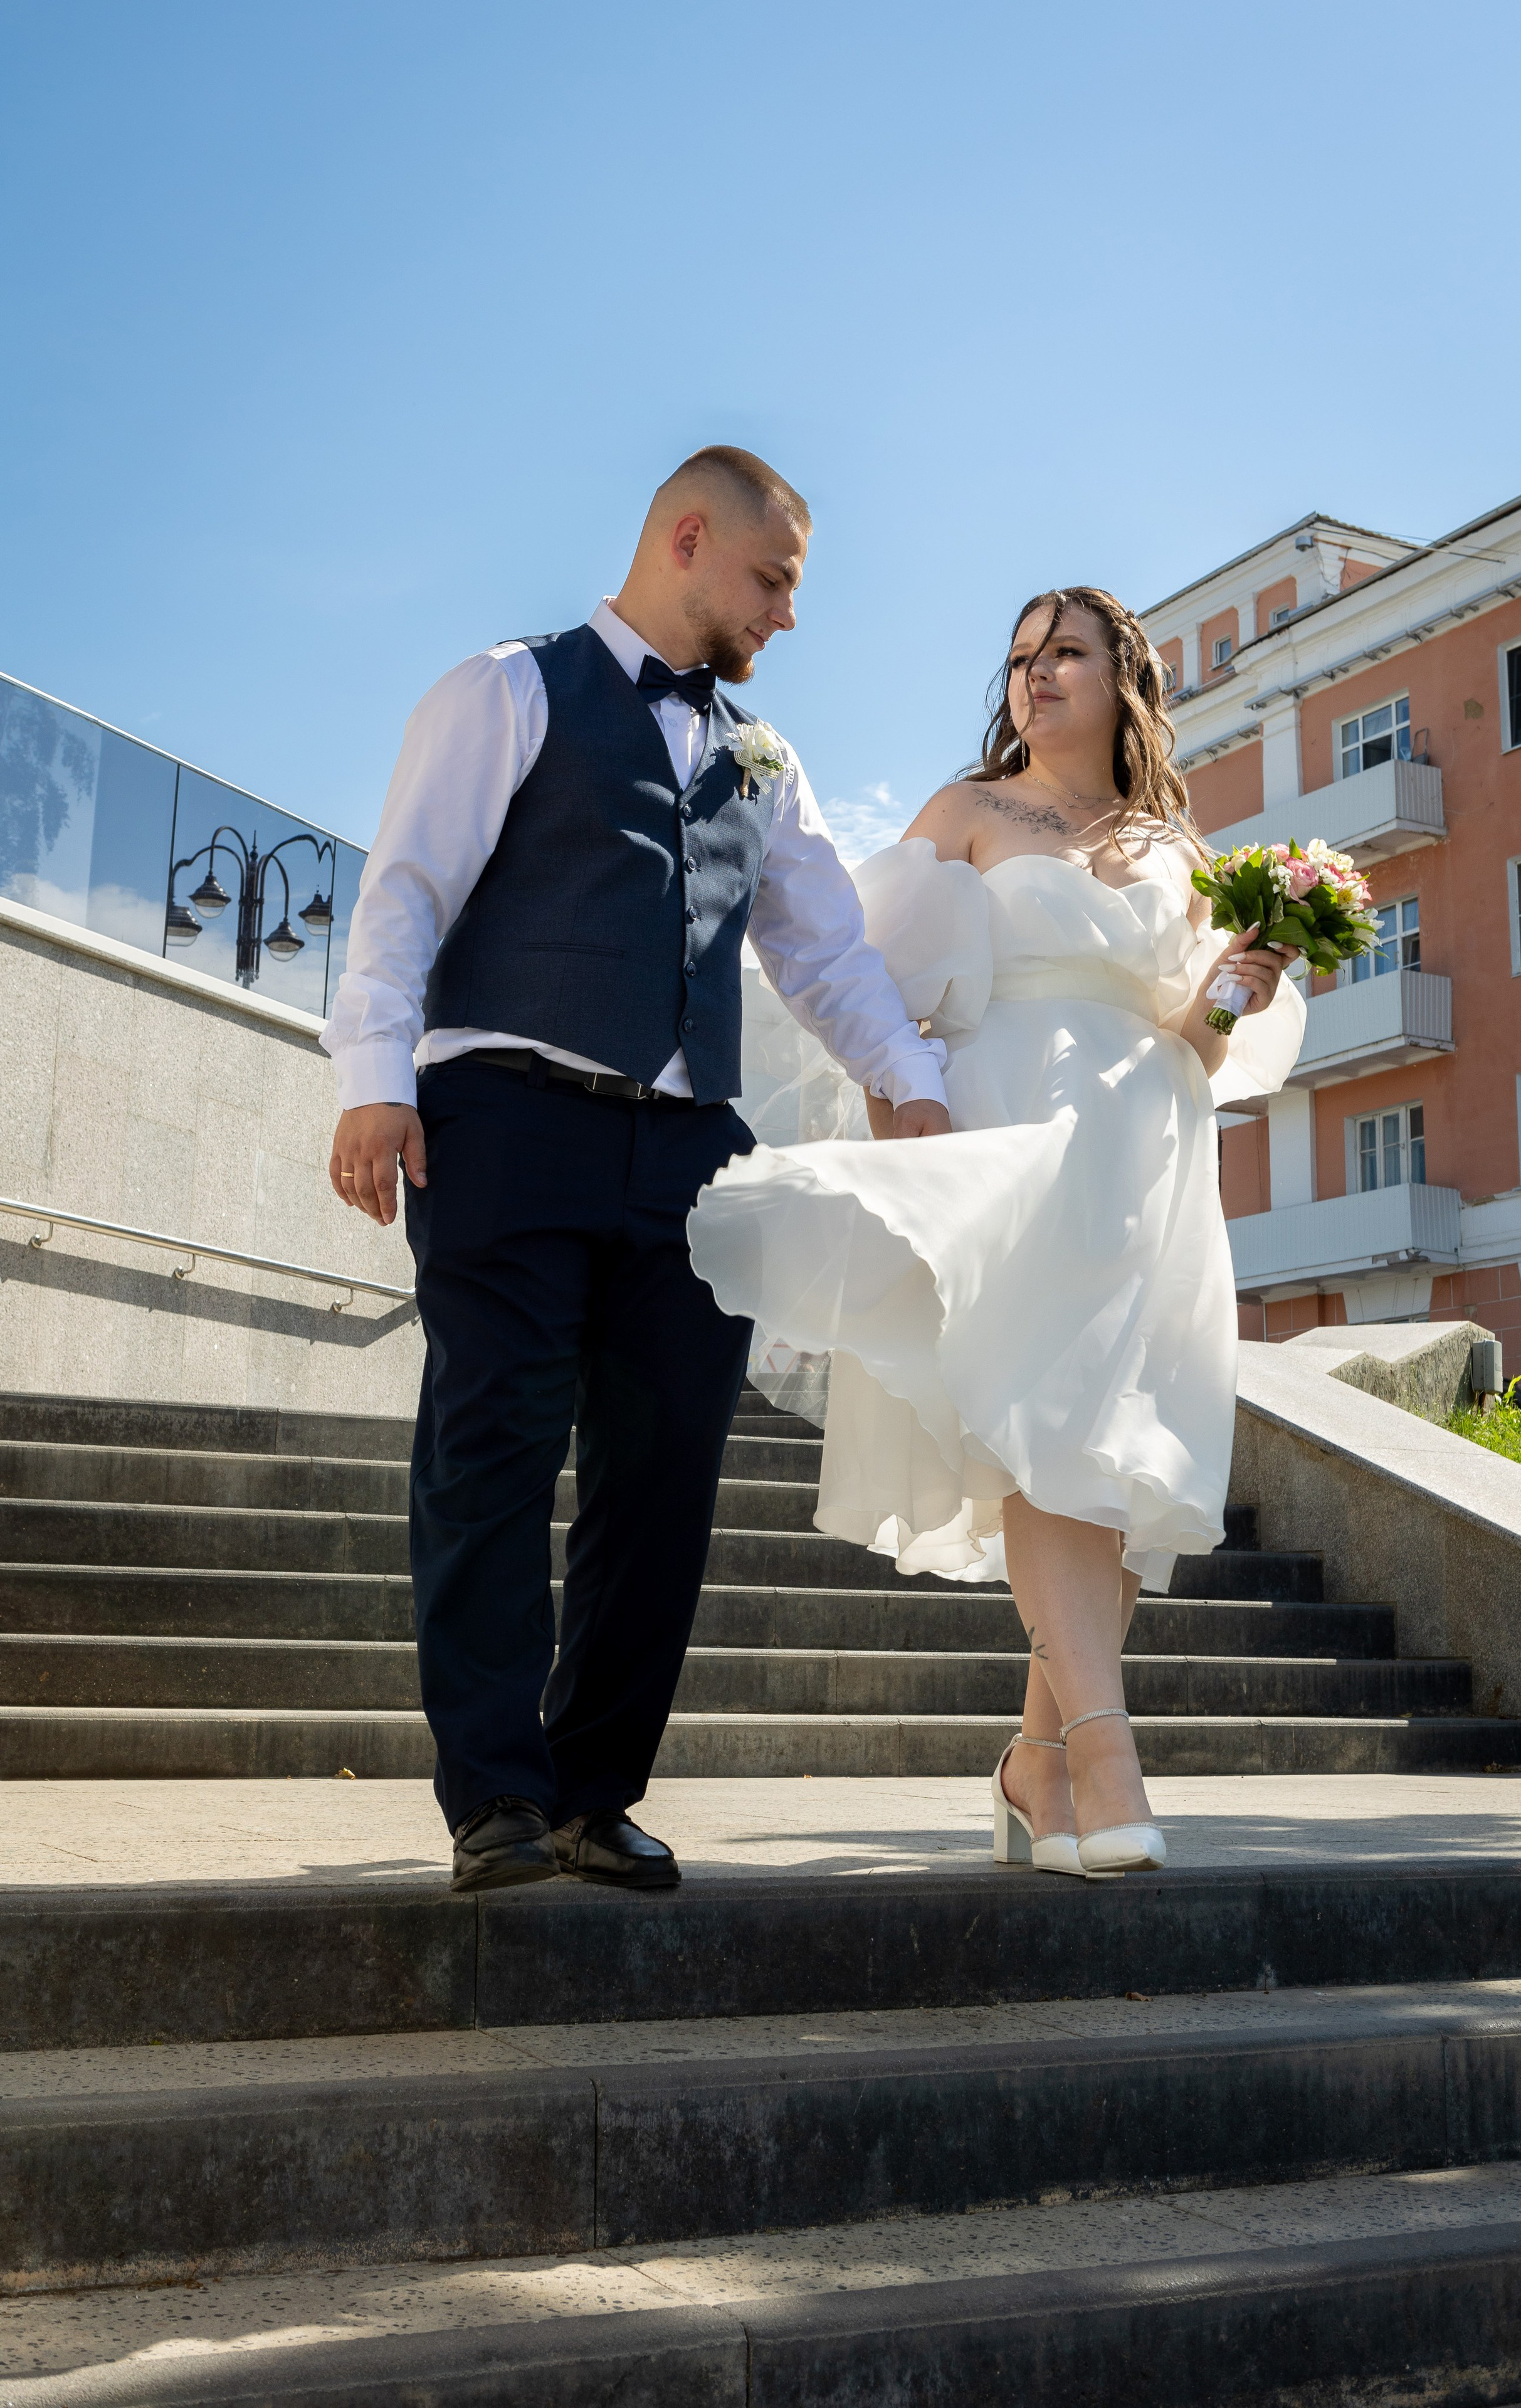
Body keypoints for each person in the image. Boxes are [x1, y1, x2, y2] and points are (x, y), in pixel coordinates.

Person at [323, 446, 950, 1894]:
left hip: (685, 1150)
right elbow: (405, 890)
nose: (788, 613)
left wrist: (906, 1088)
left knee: (663, 1471)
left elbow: (823, 951)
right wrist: (372, 1081)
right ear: (686, 539)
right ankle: (492, 1794)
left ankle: (589, 1792)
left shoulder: (762, 763)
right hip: (502, 1118)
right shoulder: (508, 690)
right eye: (773, 579)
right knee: (488, 1453)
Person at [687, 586, 1305, 1878]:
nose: (1034, 675)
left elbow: (1190, 1039)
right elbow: (870, 985)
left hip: (1149, 1157)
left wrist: (1238, 988)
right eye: (1020, 657)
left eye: (1064, 652)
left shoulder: (1173, 843)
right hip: (1010, 1133)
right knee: (1042, 1430)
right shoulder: (967, 813)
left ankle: (1033, 1768)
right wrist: (899, 1124)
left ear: (1121, 676)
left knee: (1114, 1463)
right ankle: (1103, 1750)